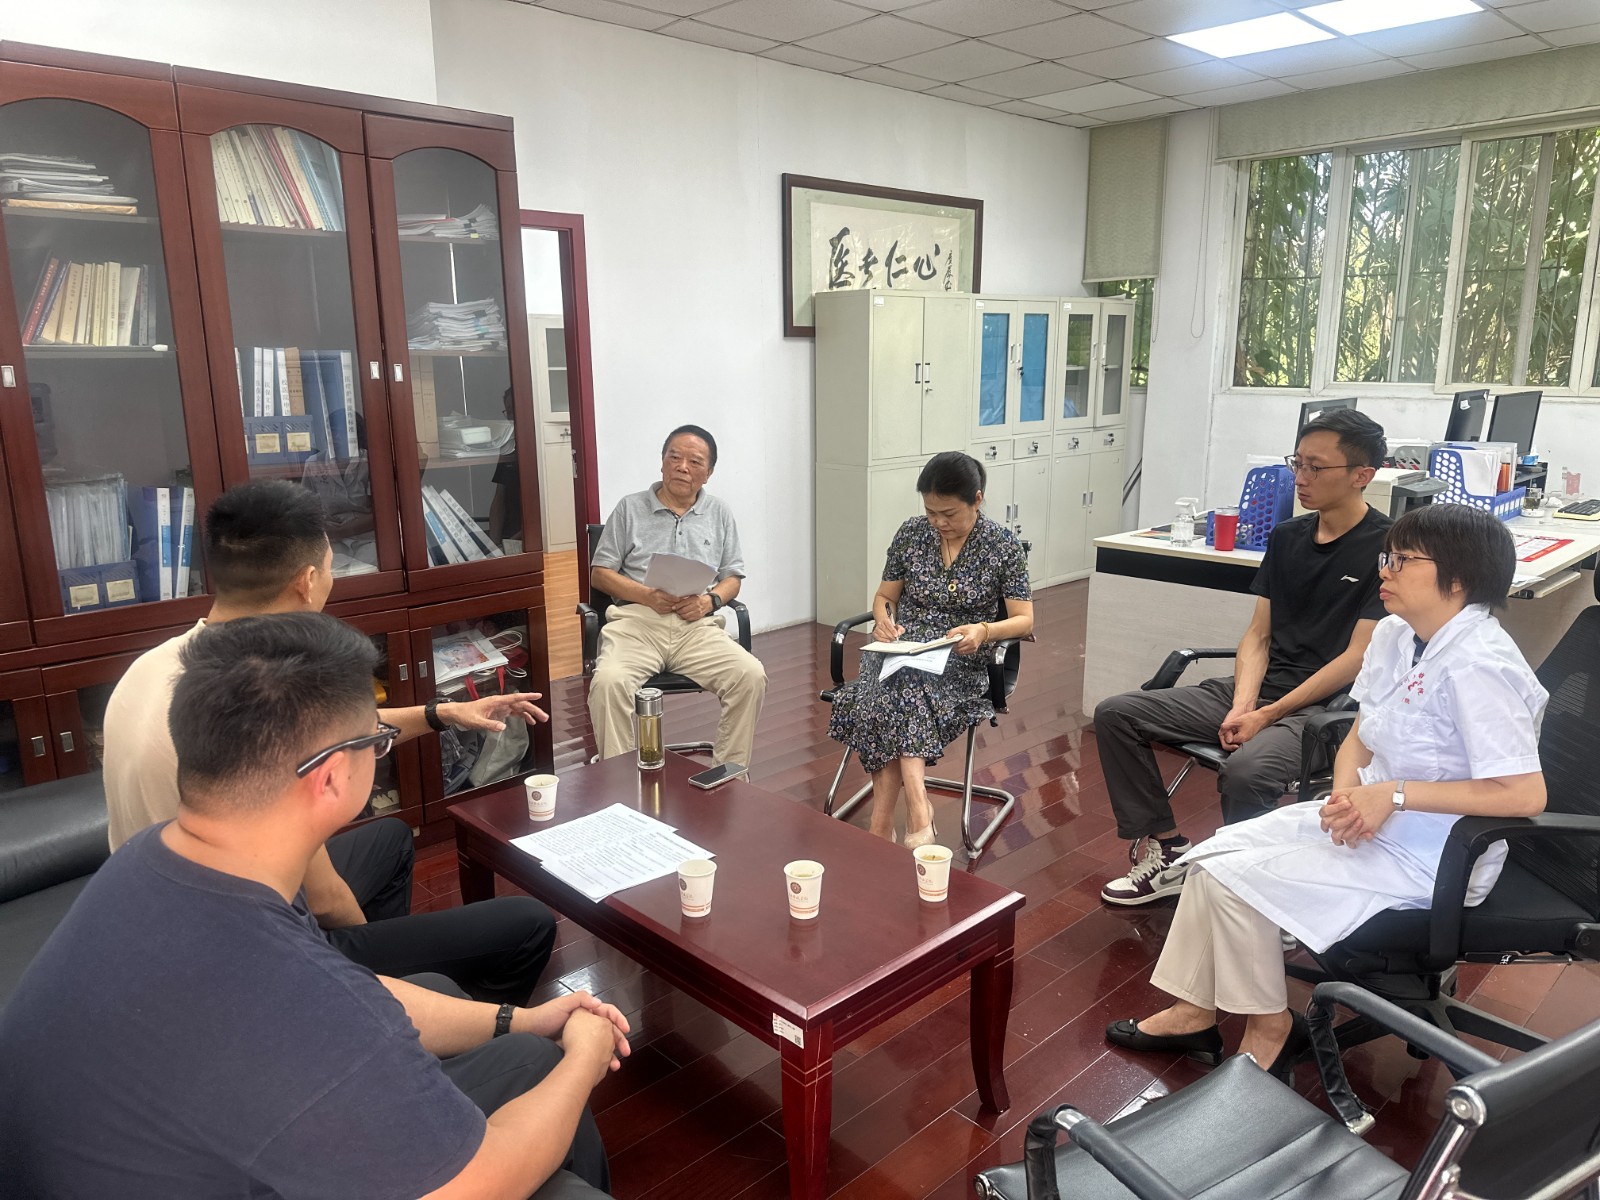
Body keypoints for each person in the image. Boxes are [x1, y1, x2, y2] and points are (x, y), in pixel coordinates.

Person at [0, 613, 628, 1197]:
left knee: (511, 1041)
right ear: (329, 777)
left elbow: (354, 992)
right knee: (546, 1081)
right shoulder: (288, 990)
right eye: (376, 743)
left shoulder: (157, 859)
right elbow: (474, 1183)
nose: (379, 753)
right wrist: (583, 1058)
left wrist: (522, 1020)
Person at [1105, 504, 1547, 1074]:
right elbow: (1361, 734)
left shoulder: (1481, 665)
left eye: (1402, 560)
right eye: (1386, 557)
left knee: (1238, 884)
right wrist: (1344, 797)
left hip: (1438, 855)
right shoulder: (1395, 635)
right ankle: (1194, 1012)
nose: (1383, 570)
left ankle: (1269, 1028)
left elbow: (1523, 794)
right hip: (1371, 820)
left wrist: (1392, 796)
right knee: (1211, 858)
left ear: (1457, 580)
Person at [103, 479, 557, 1003]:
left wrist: (443, 713)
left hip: (157, 912)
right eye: (332, 566)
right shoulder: (265, 720)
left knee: (389, 839)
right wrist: (378, 978)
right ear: (307, 580)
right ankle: (409, 1020)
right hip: (233, 951)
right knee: (527, 923)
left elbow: (332, 728)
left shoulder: (162, 664)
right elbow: (325, 899)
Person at [1095, 408, 1393, 906]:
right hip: (1260, 693)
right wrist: (1243, 704)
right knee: (1117, 714)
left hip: (1329, 711)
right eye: (1298, 463)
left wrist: (1266, 716)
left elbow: (1357, 658)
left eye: (1316, 467)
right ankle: (1168, 849)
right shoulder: (1288, 536)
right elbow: (1258, 634)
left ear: (1362, 475)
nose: (1300, 478)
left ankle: (1247, 887)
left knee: (1247, 772)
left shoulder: (1387, 548)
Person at [827, 451, 1034, 848]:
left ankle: (883, 822)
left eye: (949, 513)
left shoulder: (1002, 545)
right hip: (901, 647)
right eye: (930, 512)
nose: (938, 523)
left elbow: (1024, 620)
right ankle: (917, 808)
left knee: (889, 690)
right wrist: (884, 620)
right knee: (893, 677)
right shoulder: (911, 533)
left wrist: (984, 630)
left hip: (960, 655)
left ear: (977, 499)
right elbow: (885, 597)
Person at [588, 424, 767, 769]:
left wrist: (709, 602)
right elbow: (600, 573)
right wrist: (646, 596)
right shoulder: (630, 508)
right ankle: (619, 783)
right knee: (609, 683)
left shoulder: (719, 513)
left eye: (695, 462)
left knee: (750, 675)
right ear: (662, 462)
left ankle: (729, 777)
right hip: (637, 624)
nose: (683, 467)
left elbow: (732, 577)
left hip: (695, 627)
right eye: (674, 457)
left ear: (708, 473)